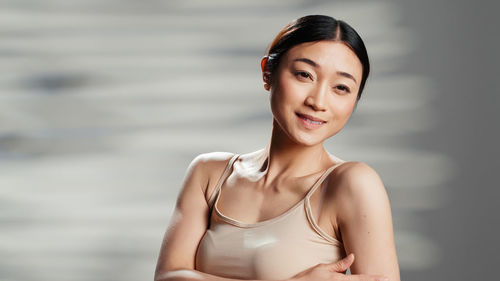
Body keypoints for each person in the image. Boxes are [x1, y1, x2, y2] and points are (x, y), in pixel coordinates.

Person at [154, 15, 400, 281]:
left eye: (341, 87)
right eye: (304, 74)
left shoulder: (351, 184)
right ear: (267, 72)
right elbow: (168, 276)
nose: (318, 101)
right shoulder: (210, 174)